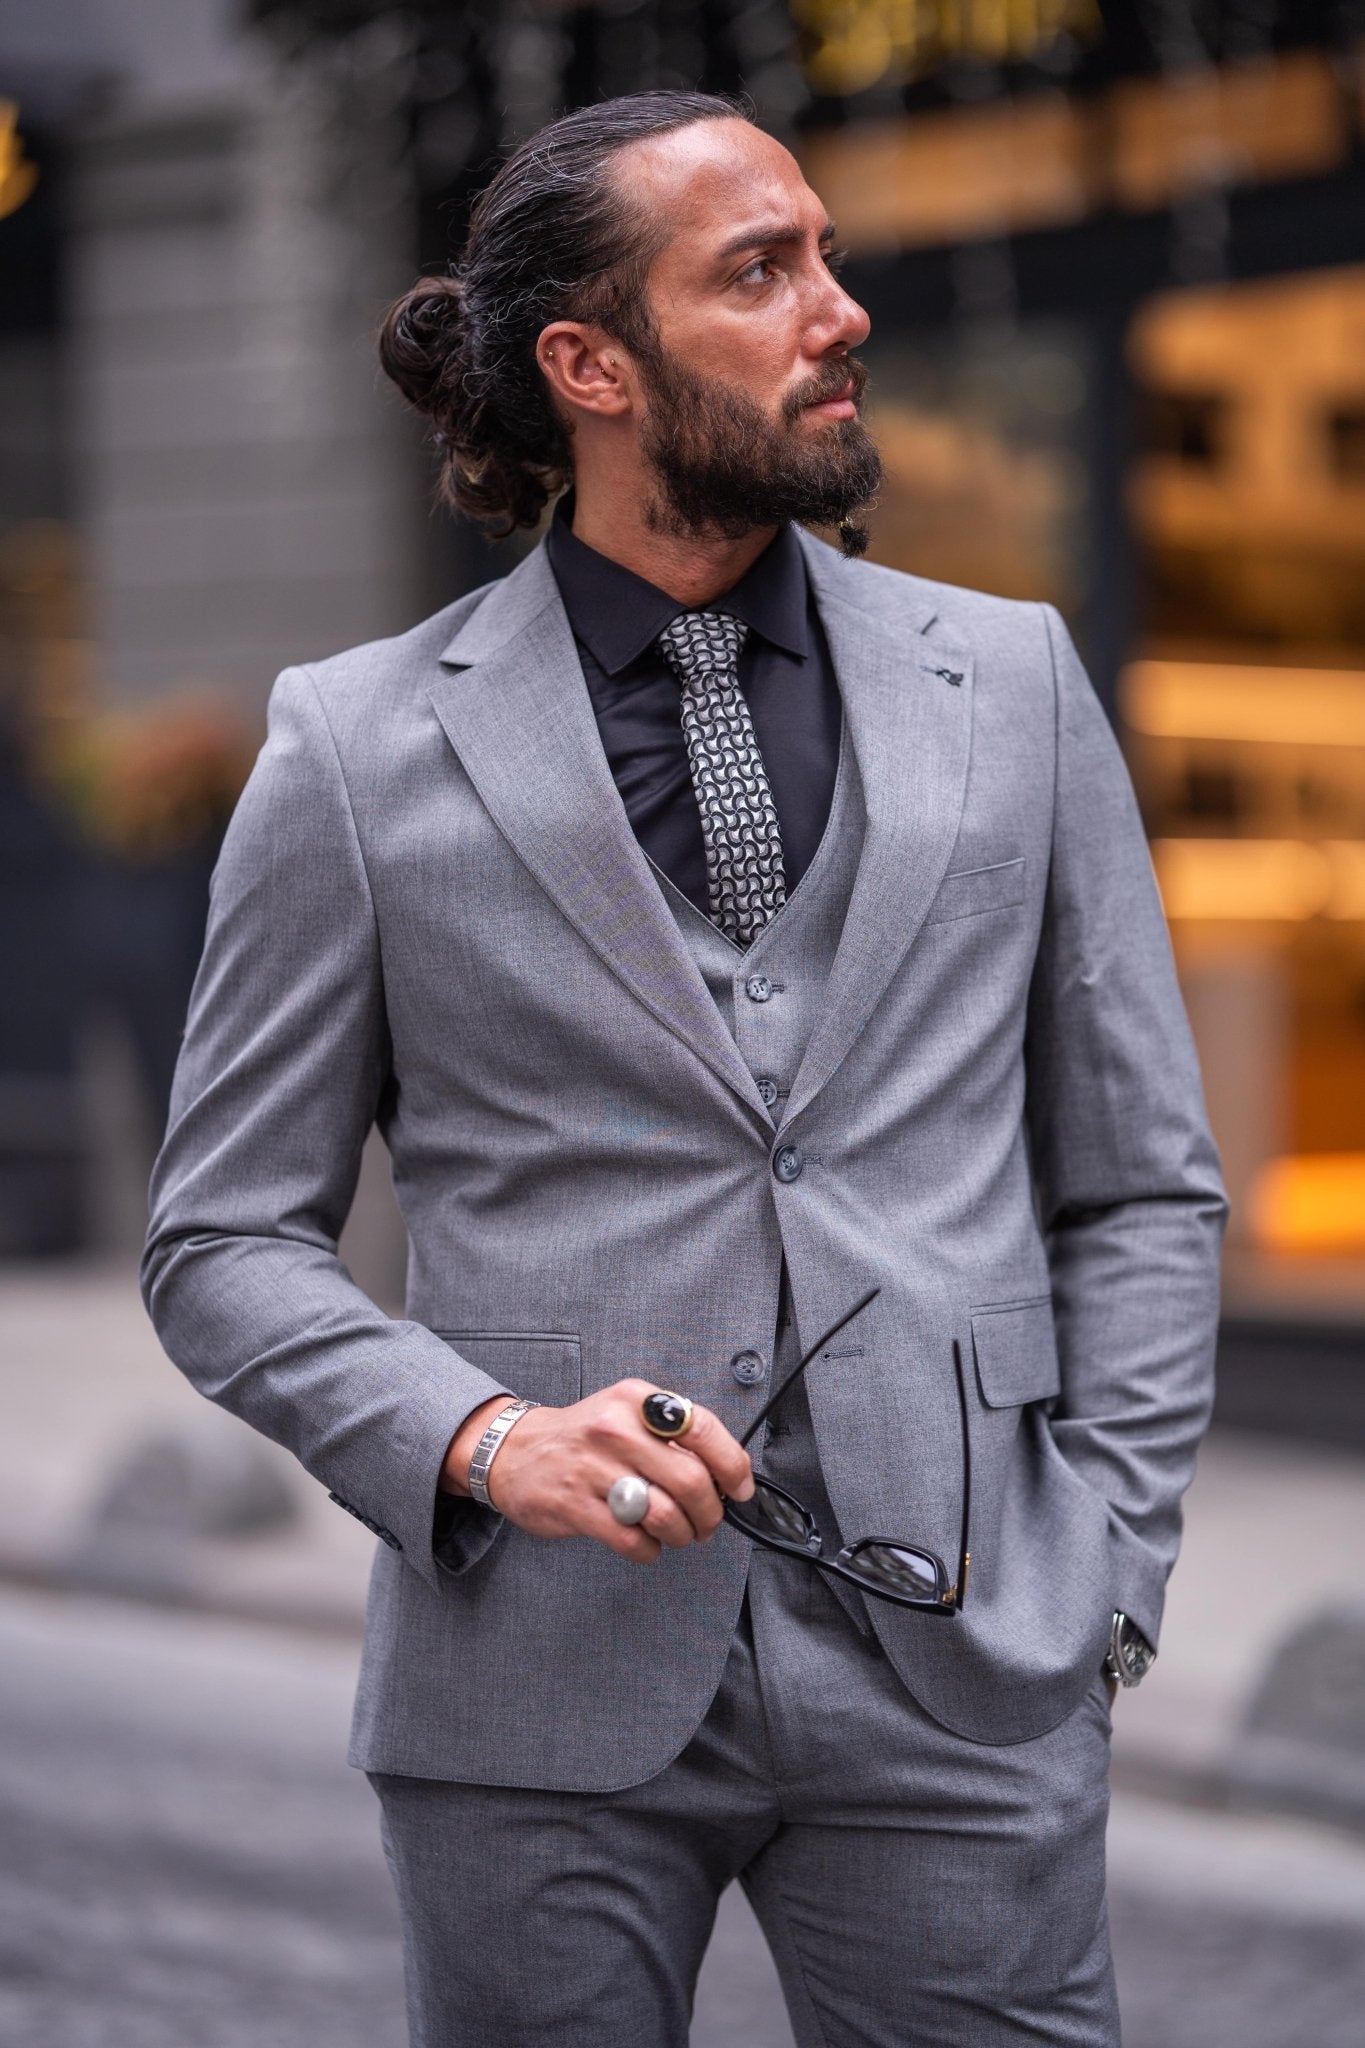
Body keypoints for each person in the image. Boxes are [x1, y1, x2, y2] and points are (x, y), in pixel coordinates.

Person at [142, 89, 1227, 2048]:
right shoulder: (358, 748)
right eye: (758, 271)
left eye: (821, 251)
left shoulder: (1015, 685)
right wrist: (479, 1439)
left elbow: (1138, 1178)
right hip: (533, 1677)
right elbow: (220, 1238)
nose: (839, 309)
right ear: (589, 368)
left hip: (962, 1647)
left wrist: (1107, 1567)